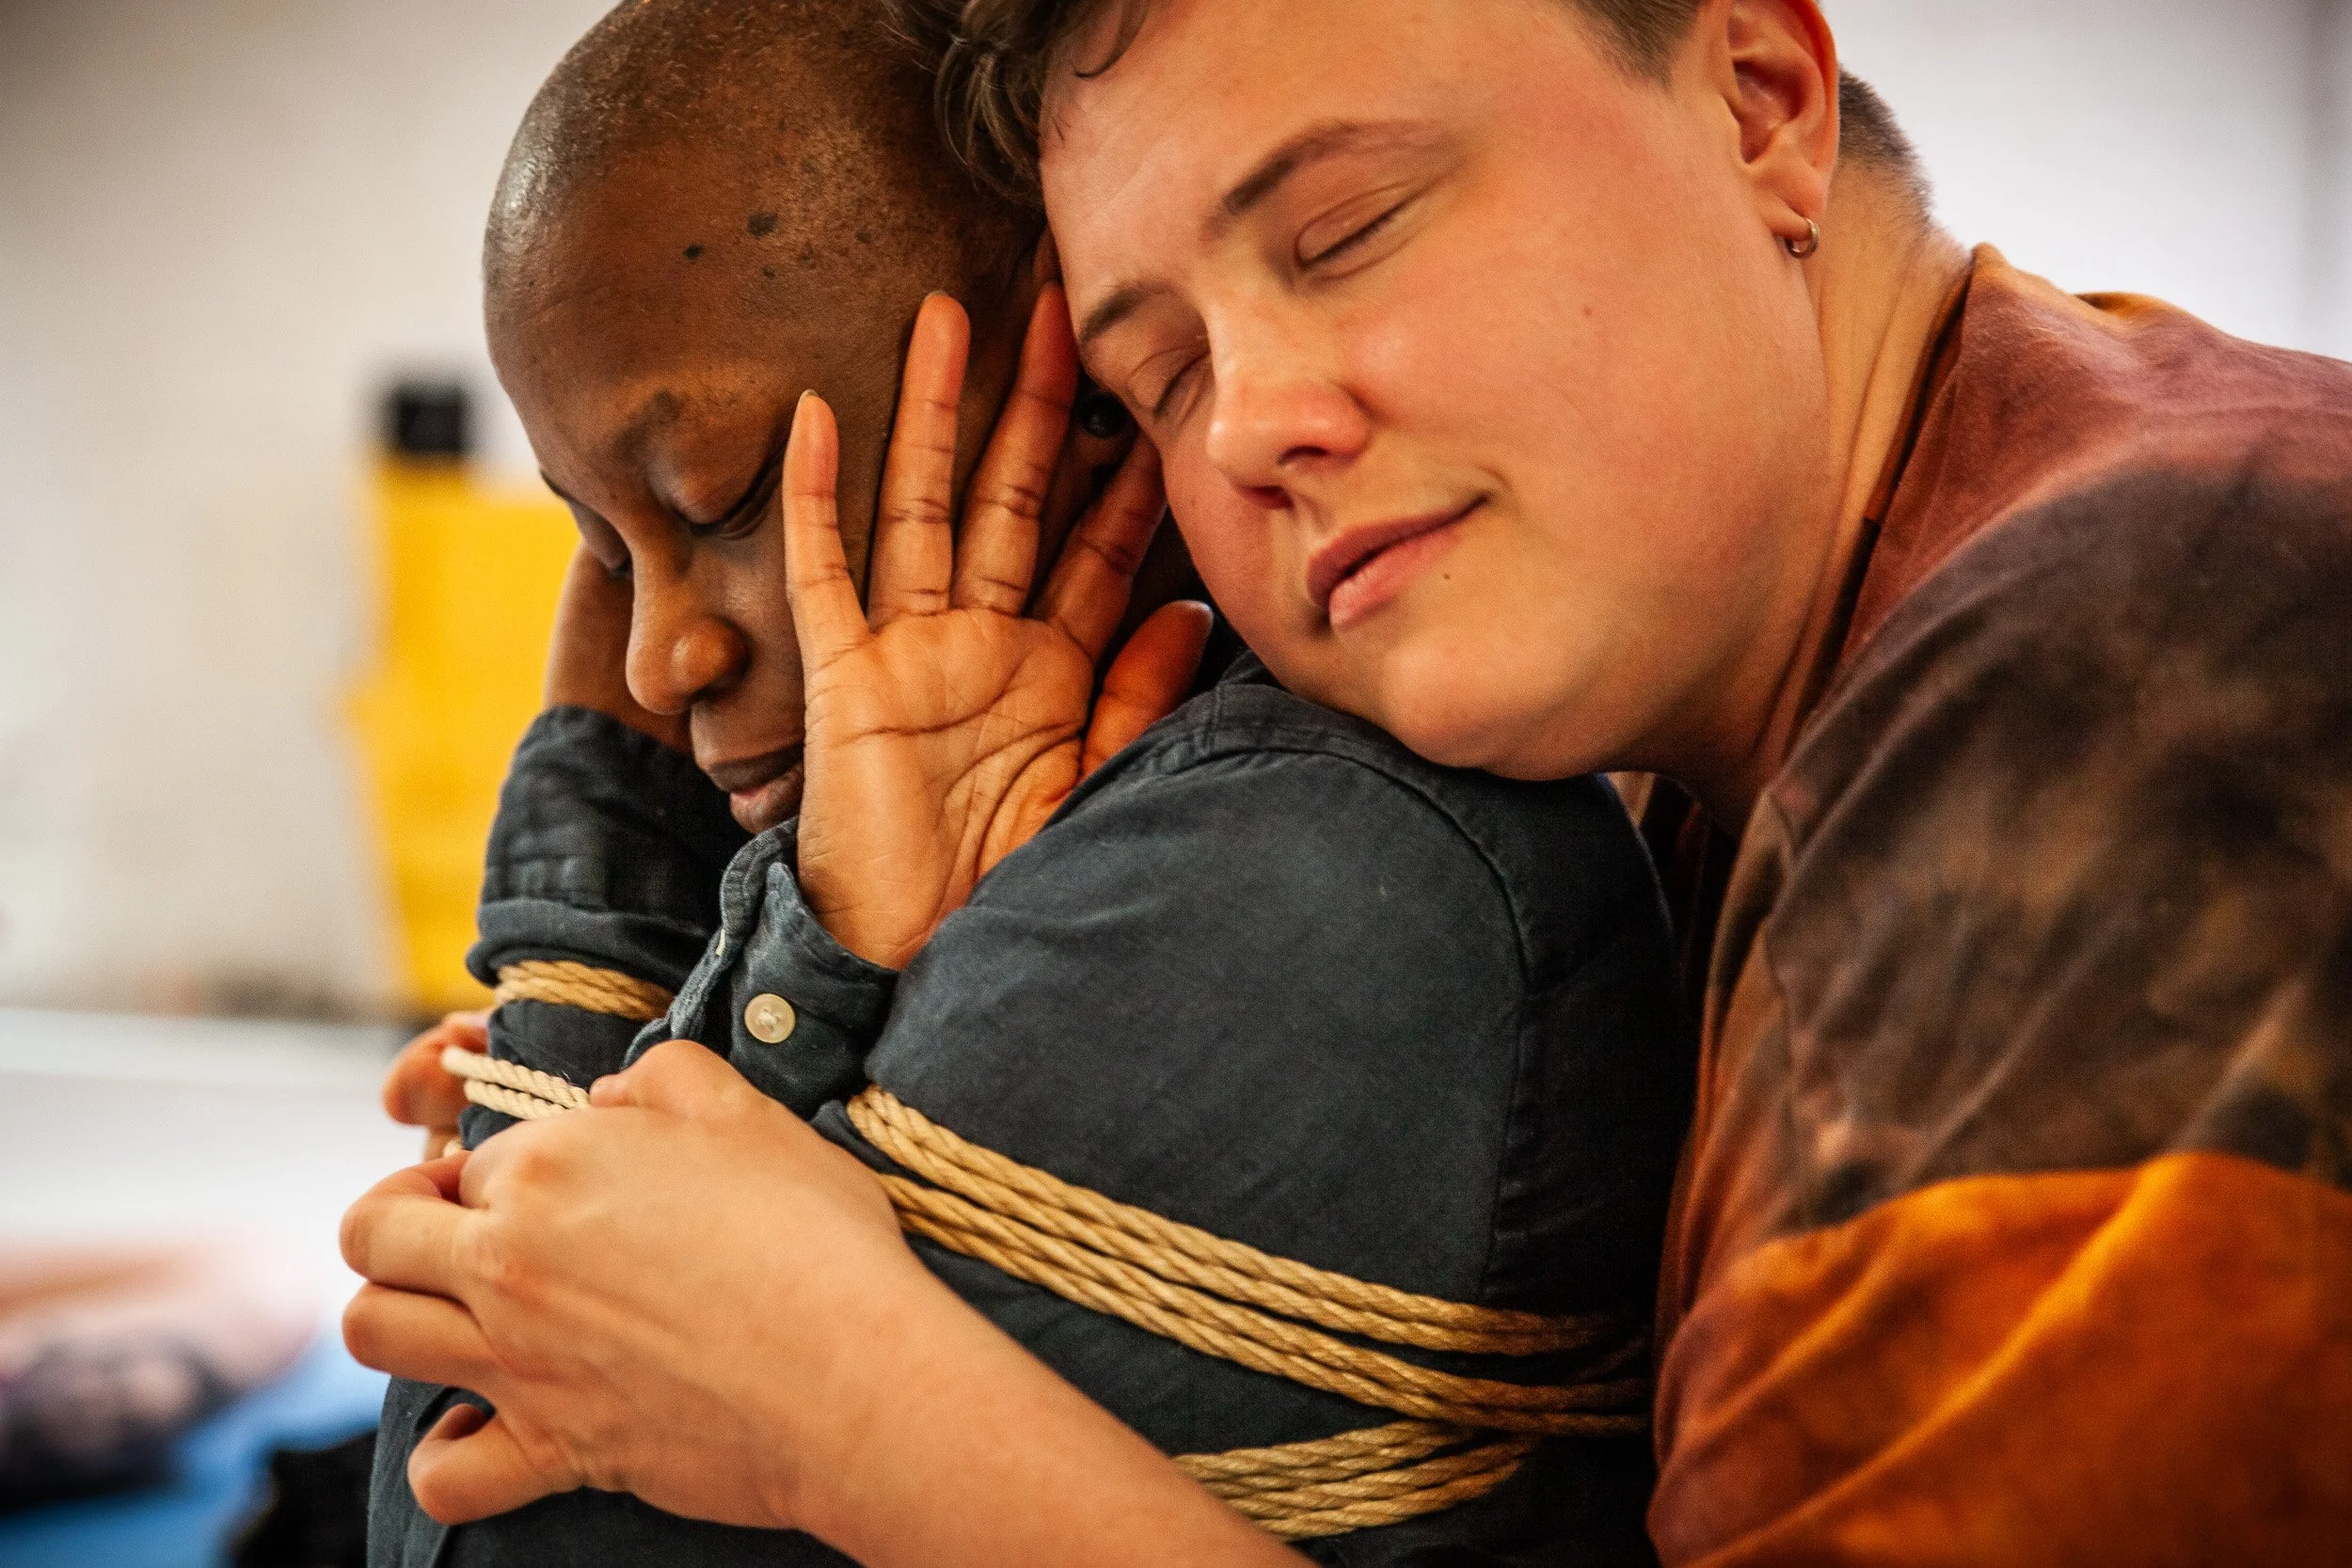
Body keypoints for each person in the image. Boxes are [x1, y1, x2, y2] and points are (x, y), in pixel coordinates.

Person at [342, 0, 2352, 1561]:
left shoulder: (2138, 680)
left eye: (1342, 228)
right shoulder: (1860, 597)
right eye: (1160, 377)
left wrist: (842, 1398)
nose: (1262, 431)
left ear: (1756, 99)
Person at [359, 2, 1695, 1563]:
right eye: (601, 549)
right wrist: (797, 949)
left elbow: (472, 1516)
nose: (652, 663)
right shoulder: (995, 853)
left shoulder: (1302, 874)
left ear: (1074, 372)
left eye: (713, 501)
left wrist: (603, 935)